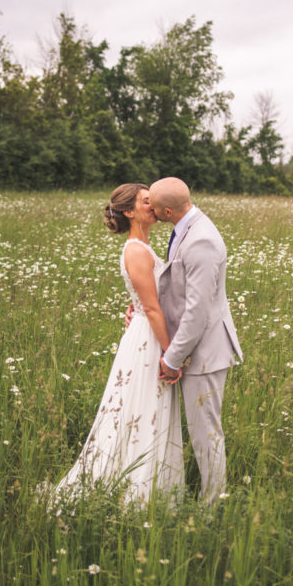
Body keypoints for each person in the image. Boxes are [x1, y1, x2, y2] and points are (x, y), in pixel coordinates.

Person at [53, 183, 184, 503]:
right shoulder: (136, 250)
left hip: (148, 331)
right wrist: (171, 354)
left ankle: (149, 485)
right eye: (145, 202)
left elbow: (149, 297)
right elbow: (152, 308)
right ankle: (131, 489)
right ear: (129, 211)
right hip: (149, 340)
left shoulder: (144, 246)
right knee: (137, 407)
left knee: (145, 408)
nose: (152, 206)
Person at [149, 176, 243, 503]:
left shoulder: (201, 240)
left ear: (167, 210)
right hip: (195, 347)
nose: (150, 209)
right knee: (201, 431)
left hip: (205, 353)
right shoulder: (185, 228)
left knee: (206, 434)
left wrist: (172, 358)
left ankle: (213, 504)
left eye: (154, 206)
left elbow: (198, 311)